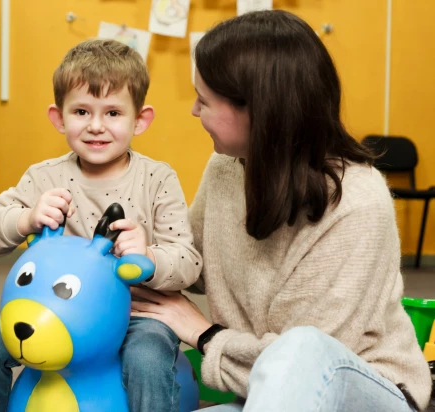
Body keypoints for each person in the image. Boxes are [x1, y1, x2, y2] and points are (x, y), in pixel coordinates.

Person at [130, 10, 431, 411]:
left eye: (203, 100)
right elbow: (194, 263)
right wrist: (146, 254)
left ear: (260, 110)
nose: (194, 111)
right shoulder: (227, 168)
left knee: (301, 348)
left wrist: (203, 334)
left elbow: (299, 367)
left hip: (363, 392)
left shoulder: (357, 201)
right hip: (266, 394)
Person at [0, 39, 202, 412]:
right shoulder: (43, 177)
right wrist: (25, 218)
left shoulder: (157, 179)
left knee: (148, 358)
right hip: (50, 314)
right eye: (81, 112)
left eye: (112, 113)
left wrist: (149, 255)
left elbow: (188, 261)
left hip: (136, 316)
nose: (95, 126)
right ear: (58, 117)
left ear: (140, 119)